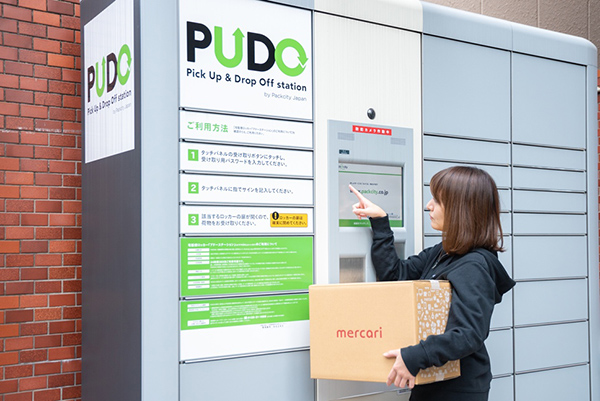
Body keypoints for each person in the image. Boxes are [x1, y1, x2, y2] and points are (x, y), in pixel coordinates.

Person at [349, 165, 516, 401]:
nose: (429, 205)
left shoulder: (474, 265)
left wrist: (414, 356)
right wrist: (380, 221)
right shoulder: (443, 252)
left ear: (460, 208)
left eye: (437, 200)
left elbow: (468, 333)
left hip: (456, 390)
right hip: (432, 381)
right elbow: (395, 275)